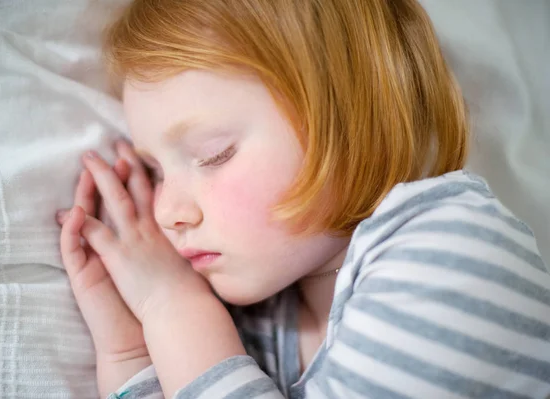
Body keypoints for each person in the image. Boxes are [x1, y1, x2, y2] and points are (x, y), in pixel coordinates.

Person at [55, 0, 550, 397]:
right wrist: (131, 352)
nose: (167, 212)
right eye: (155, 171)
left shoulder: (455, 251)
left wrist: (174, 309)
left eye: (213, 154)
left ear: (355, 121)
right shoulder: (261, 321)